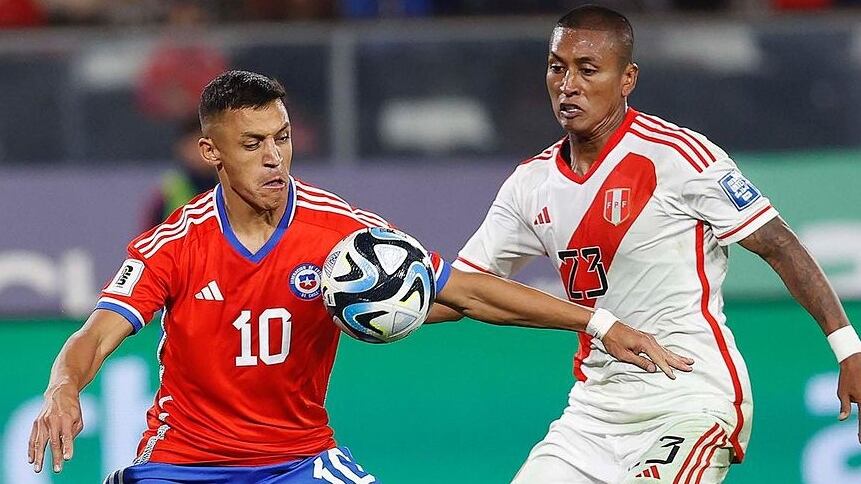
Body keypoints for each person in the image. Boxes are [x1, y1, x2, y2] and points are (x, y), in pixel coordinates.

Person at [27, 70, 691, 483]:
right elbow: (95, 336)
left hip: (296, 463)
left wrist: (597, 322)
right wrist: (63, 387)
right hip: (184, 466)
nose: (272, 158)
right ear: (211, 152)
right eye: (251, 144)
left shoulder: (340, 233)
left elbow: (462, 288)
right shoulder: (175, 242)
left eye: (281, 139)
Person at [430, 6, 861, 483]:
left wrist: (848, 349)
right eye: (558, 67)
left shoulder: (679, 156)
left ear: (627, 78)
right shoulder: (529, 184)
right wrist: (366, 298)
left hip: (689, 400)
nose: (568, 84)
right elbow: (463, 290)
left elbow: (778, 244)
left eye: (587, 69)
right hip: (592, 418)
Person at [142, 117, 218, 230]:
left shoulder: (232, 186)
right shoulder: (168, 191)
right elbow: (149, 235)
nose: (200, 152)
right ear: (181, 148)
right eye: (193, 145)